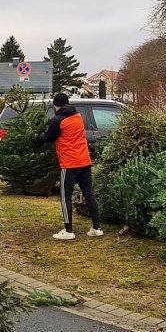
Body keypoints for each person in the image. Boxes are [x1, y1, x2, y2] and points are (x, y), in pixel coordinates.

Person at [32, 93, 103, 241]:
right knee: (89, 194)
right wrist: (51, 122)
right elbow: (61, 124)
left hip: (70, 163)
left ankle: (68, 230)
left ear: (56, 106)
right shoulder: (77, 116)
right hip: (84, 161)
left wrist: (35, 138)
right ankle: (97, 228)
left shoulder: (58, 120)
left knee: (65, 196)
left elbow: (48, 137)